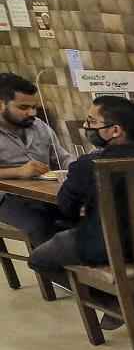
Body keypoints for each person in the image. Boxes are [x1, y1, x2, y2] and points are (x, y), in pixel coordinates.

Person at [29, 96, 134, 330]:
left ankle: (117, 301)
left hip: (104, 247)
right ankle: (128, 298)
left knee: (39, 258)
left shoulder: (88, 166)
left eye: (91, 122)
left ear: (114, 130)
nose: (86, 128)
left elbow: (66, 209)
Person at [0, 73, 75, 247]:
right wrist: (19, 172)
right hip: (5, 199)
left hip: (43, 195)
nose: (32, 113)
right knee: (40, 225)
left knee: (81, 215)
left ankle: (80, 271)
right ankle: (55, 273)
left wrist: (79, 168)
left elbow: (61, 158)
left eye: (33, 107)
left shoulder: (39, 126)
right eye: (24, 107)